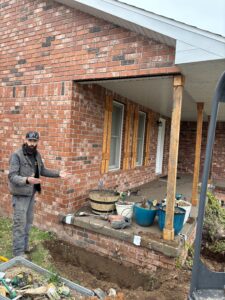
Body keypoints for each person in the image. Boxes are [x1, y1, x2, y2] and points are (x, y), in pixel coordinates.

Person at [8, 131, 69, 257]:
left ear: (37, 142)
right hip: (20, 195)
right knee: (20, 223)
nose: (32, 143)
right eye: (30, 141)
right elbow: (12, 176)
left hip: (31, 194)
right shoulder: (17, 155)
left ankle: (24, 248)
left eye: (34, 141)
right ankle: (18, 253)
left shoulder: (37, 155)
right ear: (25, 140)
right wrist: (26, 179)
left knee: (28, 222)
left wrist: (58, 173)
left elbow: (42, 170)